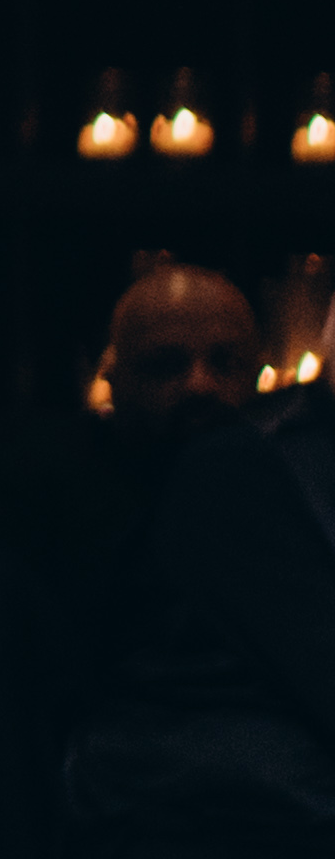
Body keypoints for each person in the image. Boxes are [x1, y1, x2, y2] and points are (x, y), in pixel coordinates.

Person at [55, 265, 335, 855]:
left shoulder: (259, 470)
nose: (200, 385)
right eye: (165, 365)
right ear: (113, 378)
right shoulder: (224, 475)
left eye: (225, 363)